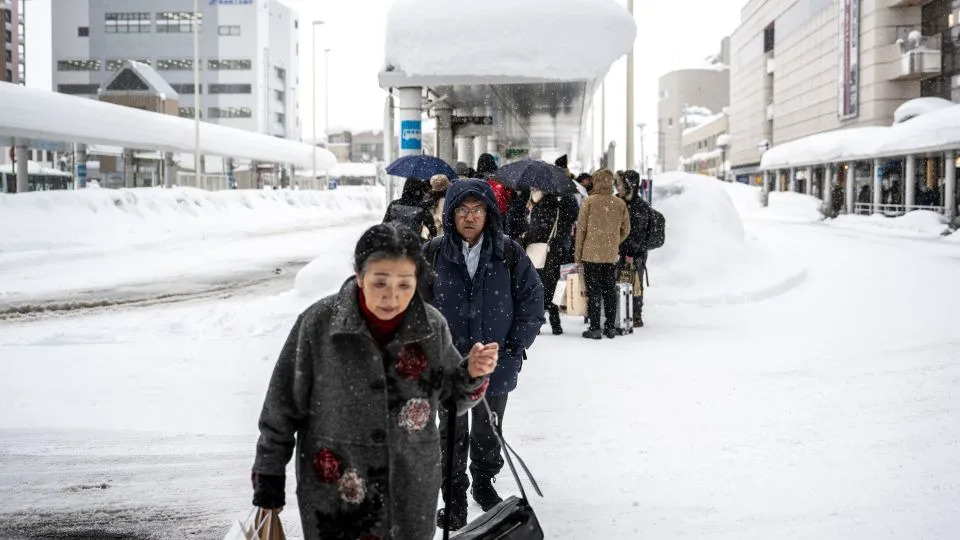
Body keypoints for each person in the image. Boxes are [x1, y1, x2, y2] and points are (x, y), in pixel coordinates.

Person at [251, 223, 497, 540]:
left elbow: (453, 399)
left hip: (411, 488)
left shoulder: (431, 326)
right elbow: (281, 407)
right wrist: (269, 478)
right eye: (380, 282)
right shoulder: (319, 324)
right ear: (358, 273)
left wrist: (472, 374)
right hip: (338, 490)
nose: (391, 296)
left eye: (405, 284)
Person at [423, 179, 545, 530]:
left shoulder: (508, 252)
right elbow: (417, 306)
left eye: (477, 209)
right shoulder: (433, 253)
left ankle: (484, 481)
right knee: (450, 432)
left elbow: (532, 301)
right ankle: (455, 498)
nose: (470, 216)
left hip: (496, 362)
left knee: (488, 430)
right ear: (450, 214)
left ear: (489, 213)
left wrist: (511, 348)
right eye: (462, 209)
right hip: (450, 366)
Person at [574, 169, 631, 339]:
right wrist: (614, 242)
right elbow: (626, 229)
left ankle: (595, 328)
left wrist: (578, 254)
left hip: (590, 254)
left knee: (594, 292)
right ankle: (610, 328)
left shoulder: (589, 202)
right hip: (610, 255)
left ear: (596, 181)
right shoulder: (619, 203)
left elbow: (581, 230)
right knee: (609, 291)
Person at [523, 188, 577, 335]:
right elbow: (568, 222)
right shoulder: (558, 207)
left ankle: (537, 323)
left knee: (537, 288)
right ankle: (556, 323)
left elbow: (532, 230)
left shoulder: (537, 208)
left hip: (537, 251)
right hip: (553, 251)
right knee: (552, 288)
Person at [616, 170, 651, 328]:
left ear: (630, 186)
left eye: (622, 184)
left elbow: (639, 233)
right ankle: (621, 311)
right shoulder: (617, 202)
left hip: (636, 253)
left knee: (635, 282)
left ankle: (635, 314)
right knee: (619, 281)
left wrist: (631, 251)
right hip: (618, 251)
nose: (619, 187)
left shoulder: (640, 206)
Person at [477, 153, 512, 217]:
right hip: (500, 213)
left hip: (481, 213)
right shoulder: (500, 179)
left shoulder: (476, 180)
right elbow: (509, 196)